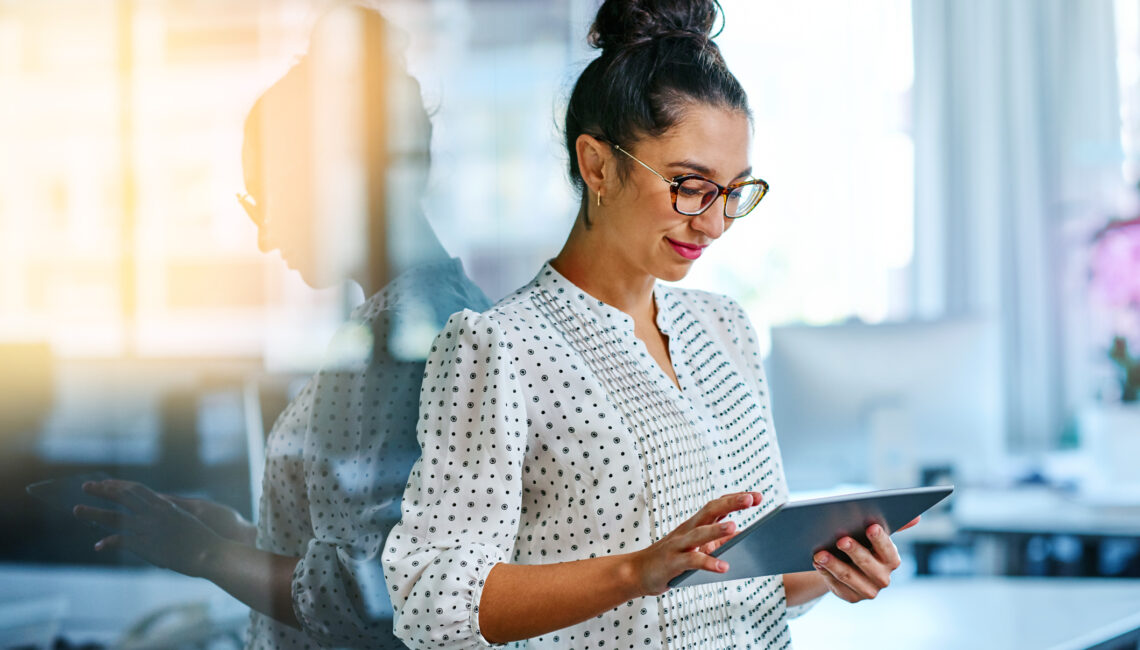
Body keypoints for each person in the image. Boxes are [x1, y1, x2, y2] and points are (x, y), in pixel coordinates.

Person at [382, 1, 918, 648]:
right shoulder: (498, 348)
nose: (714, 223)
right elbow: (433, 601)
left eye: (733, 191)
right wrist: (638, 571)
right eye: (690, 185)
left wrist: (835, 570)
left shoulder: (726, 331)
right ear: (598, 165)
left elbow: (746, 579)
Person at [72, 6, 489, 649]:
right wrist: (241, 536)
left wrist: (205, 556)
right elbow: (361, 547)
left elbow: (367, 594)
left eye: (265, 198)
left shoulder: (397, 345)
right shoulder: (448, 307)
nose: (266, 235)